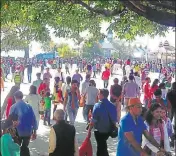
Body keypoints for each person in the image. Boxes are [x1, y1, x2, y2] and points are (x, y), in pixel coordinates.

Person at [89, 89, 117, 156]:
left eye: (99, 94)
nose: (98, 95)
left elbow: (93, 120)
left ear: (102, 95)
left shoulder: (97, 106)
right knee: (102, 145)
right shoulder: (112, 106)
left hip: (99, 130)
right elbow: (114, 119)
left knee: (100, 147)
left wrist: (89, 130)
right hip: (108, 130)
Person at [9, 91, 37, 156]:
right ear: (22, 97)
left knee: (17, 148)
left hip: (17, 131)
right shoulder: (29, 106)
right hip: (28, 131)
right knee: (25, 147)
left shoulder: (13, 107)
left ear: (15, 97)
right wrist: (35, 132)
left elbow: (10, 121)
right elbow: (34, 119)